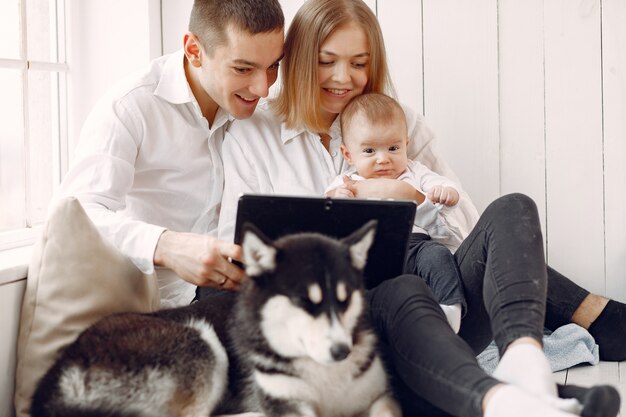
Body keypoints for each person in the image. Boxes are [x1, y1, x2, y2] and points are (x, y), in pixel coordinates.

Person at [218, 0, 623, 416]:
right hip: (348, 329)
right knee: (401, 289)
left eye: (359, 63)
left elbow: (467, 232)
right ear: (300, 60)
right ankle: (532, 394)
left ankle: (525, 361)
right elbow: (237, 250)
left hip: (444, 311)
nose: (344, 78)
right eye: (327, 62)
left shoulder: (399, 122)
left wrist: (413, 198)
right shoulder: (254, 136)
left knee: (513, 208)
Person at [56, 0, 284, 307]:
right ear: (194, 50)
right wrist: (166, 245)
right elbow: (74, 219)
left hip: (231, 302)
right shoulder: (130, 107)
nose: (263, 88)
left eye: (273, 67)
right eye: (243, 68)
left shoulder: (258, 114)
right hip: (145, 308)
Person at [326, 92, 466, 333]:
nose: (383, 159)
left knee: (439, 257)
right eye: (369, 151)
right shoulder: (347, 181)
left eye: (393, 148)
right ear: (348, 154)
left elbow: (444, 185)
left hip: (416, 245)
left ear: (406, 145)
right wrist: (338, 198)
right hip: (370, 250)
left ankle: (450, 310)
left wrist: (447, 192)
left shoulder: (414, 172)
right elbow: (326, 207)